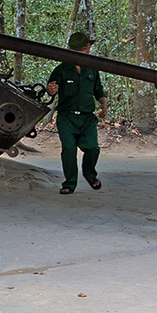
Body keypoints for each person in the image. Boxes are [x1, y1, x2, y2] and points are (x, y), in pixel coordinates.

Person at [46, 31, 108, 195]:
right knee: (69, 149)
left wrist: (103, 104)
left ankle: (90, 174)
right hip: (67, 117)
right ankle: (69, 183)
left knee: (93, 148)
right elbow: (51, 88)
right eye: (87, 48)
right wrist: (50, 90)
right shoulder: (62, 69)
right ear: (83, 48)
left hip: (87, 118)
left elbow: (98, 89)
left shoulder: (92, 69)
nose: (88, 51)